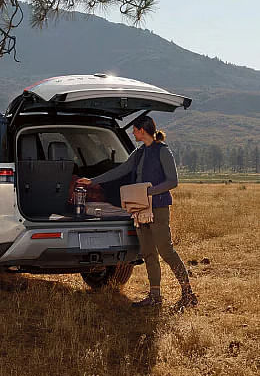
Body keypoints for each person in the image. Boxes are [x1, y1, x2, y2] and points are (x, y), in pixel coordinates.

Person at [76, 116, 197, 311]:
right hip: (140, 209)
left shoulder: (163, 151)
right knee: (148, 252)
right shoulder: (139, 152)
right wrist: (92, 180)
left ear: (142, 130)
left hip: (157, 207)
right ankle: (155, 296)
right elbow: (121, 170)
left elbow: (172, 181)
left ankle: (188, 294)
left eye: (134, 130)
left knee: (166, 251)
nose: (132, 133)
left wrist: (148, 192)